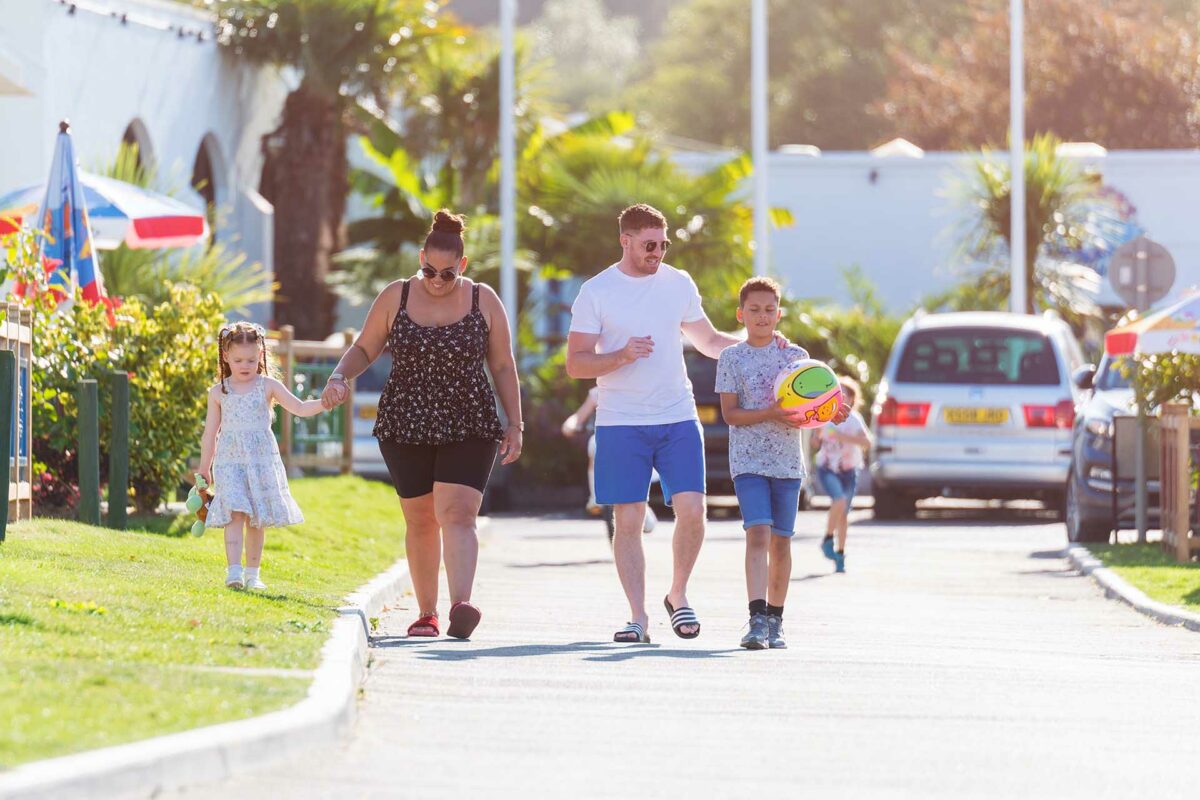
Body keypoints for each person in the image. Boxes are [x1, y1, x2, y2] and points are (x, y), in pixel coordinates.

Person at [566, 203, 787, 644]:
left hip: (677, 416)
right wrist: (621, 356)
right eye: (650, 245)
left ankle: (678, 594)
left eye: (663, 244)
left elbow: (707, 341)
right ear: (625, 240)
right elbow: (576, 363)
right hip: (620, 421)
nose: (658, 253)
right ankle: (637, 617)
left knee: (692, 511)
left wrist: (757, 341)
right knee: (627, 519)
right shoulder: (596, 291)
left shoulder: (678, 283)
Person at [320, 210, 522, 640]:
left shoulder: (482, 299)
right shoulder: (397, 294)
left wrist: (515, 423)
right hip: (405, 420)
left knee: (458, 512)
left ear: (462, 266)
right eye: (428, 270)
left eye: (446, 274)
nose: (435, 280)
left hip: (470, 419)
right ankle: (426, 612)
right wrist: (339, 377)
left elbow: (503, 366)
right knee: (421, 519)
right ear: (420, 259)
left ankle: (460, 604)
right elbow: (366, 346)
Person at [716, 277, 849, 650]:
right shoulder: (732, 358)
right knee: (757, 533)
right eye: (754, 310)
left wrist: (834, 412)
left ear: (779, 314)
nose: (762, 316)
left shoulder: (795, 358)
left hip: (788, 464)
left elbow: (818, 405)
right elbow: (730, 414)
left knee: (782, 542)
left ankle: (776, 620)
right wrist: (771, 411)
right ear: (741, 314)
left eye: (769, 310)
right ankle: (756, 618)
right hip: (748, 462)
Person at [199, 321, 327, 590]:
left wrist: (325, 403)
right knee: (234, 513)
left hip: (260, 462)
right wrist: (204, 468)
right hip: (230, 461)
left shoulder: (267, 385)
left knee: (256, 518)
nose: (245, 365)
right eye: (238, 360)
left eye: (251, 359)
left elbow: (300, 407)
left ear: (261, 355)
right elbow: (210, 434)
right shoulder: (218, 392)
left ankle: (253, 575)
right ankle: (233, 571)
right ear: (225, 357)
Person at [560, 385, 656, 542]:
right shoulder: (599, 392)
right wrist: (570, 425)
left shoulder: (640, 388)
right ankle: (596, 496)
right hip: (605, 440)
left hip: (633, 441)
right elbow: (579, 416)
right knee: (595, 445)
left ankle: (643, 507)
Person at [811, 377, 872, 573]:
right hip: (828, 467)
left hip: (849, 469)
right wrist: (817, 434)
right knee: (839, 500)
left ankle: (840, 553)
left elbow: (867, 442)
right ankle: (828, 539)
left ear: (852, 400)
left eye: (845, 394)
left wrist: (841, 437)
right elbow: (814, 444)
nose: (841, 397)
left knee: (843, 514)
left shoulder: (854, 419)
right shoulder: (824, 416)